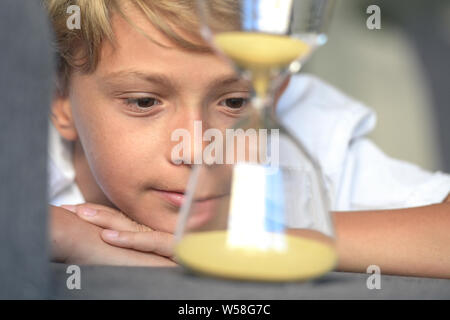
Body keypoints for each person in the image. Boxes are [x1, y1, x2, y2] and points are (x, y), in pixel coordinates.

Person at [46, 0, 450, 277]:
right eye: (145, 101)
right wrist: (52, 231)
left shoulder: (310, 134)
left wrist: (258, 238)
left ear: (276, 89)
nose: (198, 150)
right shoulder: (25, 152)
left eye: (235, 101)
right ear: (59, 101)